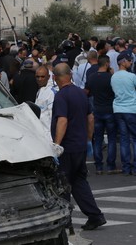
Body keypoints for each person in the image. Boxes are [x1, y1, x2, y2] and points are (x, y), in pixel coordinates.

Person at [51, 63, 106, 231]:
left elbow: (62, 120)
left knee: (64, 183)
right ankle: (95, 216)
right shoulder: (81, 93)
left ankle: (65, 221)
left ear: (54, 78)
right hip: (80, 145)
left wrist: (57, 145)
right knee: (79, 181)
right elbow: (90, 118)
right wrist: (88, 139)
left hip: (67, 147)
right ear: (71, 75)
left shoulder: (61, 96)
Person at [84, 55, 119, 175]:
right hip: (109, 109)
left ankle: (98, 166)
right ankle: (111, 165)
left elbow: (86, 92)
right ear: (107, 64)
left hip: (97, 110)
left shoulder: (92, 77)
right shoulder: (111, 77)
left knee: (97, 139)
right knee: (112, 138)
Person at [110, 52, 136, 176]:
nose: (131, 63)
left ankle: (126, 167)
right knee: (135, 139)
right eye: (129, 60)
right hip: (131, 109)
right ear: (123, 62)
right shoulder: (132, 76)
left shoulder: (113, 77)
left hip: (118, 110)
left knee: (124, 140)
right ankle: (135, 167)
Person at [34, 65, 57, 138]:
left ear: (48, 77)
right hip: (39, 132)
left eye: (42, 77)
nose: (39, 79)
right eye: (37, 77)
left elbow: (53, 116)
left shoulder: (51, 93)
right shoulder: (40, 91)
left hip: (48, 134)